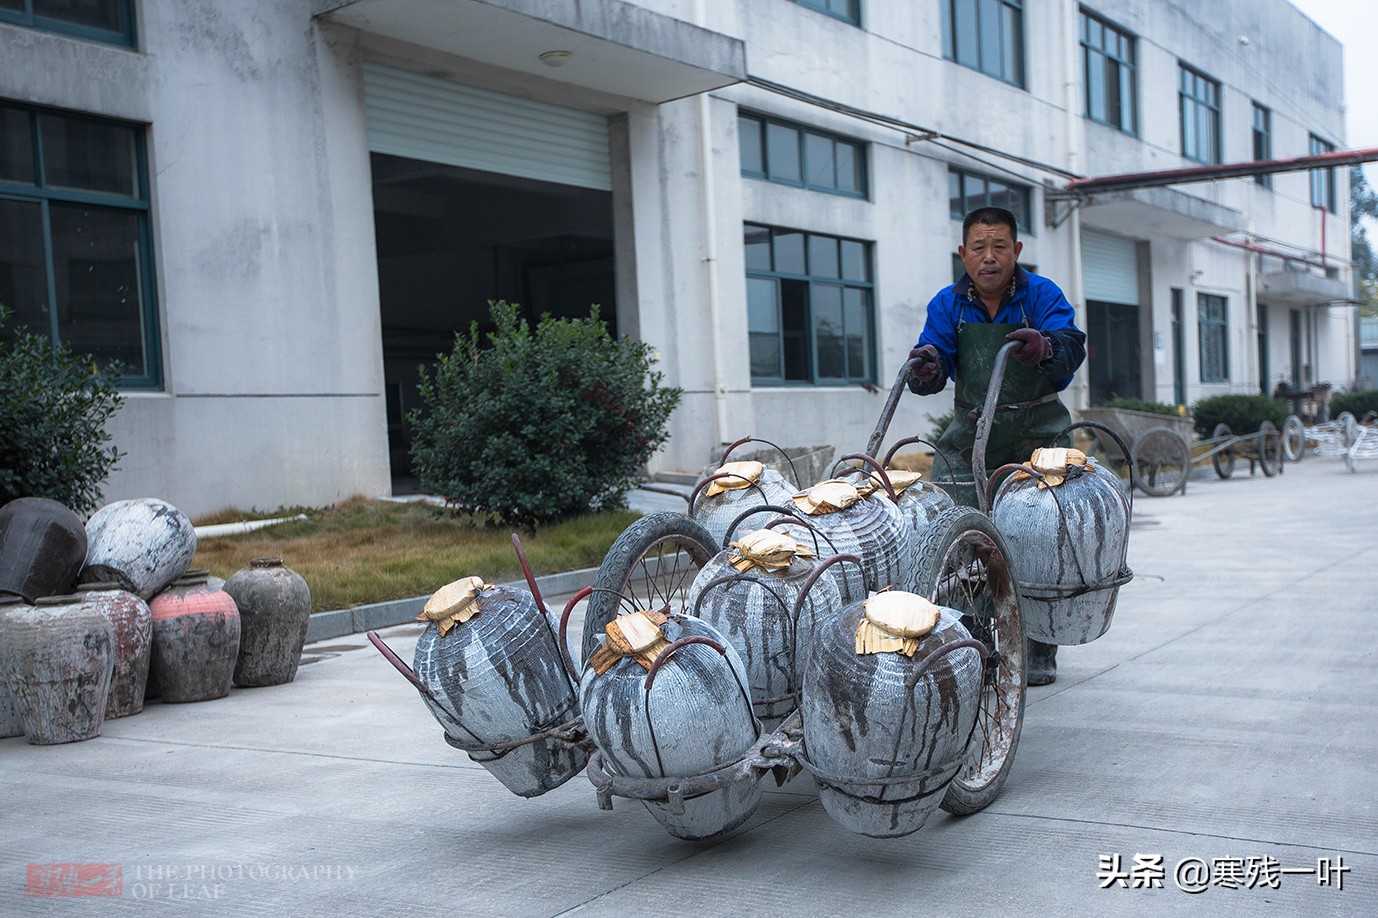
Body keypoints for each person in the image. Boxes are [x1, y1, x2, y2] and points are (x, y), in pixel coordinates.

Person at [907, 206, 1086, 685]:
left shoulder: (1041, 295)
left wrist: (1046, 347)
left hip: (1038, 428)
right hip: (973, 430)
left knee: (1043, 535)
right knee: (957, 528)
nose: (989, 257)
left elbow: (1071, 344)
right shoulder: (948, 304)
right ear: (963, 254)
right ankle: (975, 637)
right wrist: (927, 365)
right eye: (979, 248)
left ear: (1017, 252)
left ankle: (1039, 644)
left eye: (999, 246)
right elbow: (936, 356)